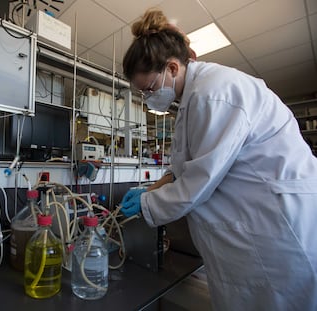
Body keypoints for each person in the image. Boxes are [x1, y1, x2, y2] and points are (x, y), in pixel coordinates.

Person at [120, 8, 317, 311]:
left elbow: (198, 183)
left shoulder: (214, 94)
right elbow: (180, 170)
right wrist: (149, 190)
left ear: (172, 68)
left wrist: (148, 203)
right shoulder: (190, 101)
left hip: (276, 223)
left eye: (148, 89)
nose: (148, 98)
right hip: (251, 222)